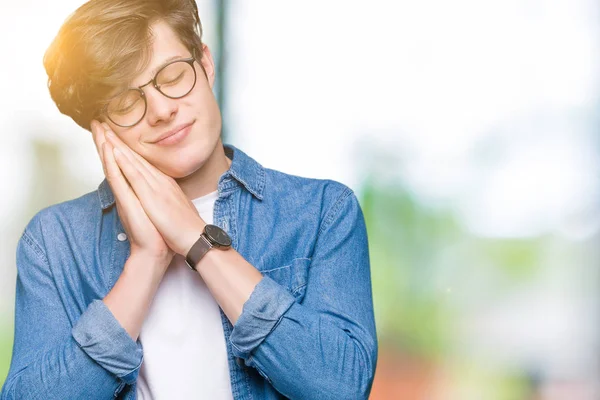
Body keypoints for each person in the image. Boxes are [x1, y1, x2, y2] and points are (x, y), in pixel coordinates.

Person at [0, 0, 377, 398]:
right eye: (126, 102)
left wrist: (197, 239)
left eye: (173, 75)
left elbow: (342, 388)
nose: (162, 110)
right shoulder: (54, 243)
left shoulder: (322, 213)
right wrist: (146, 261)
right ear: (101, 129)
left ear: (206, 64)